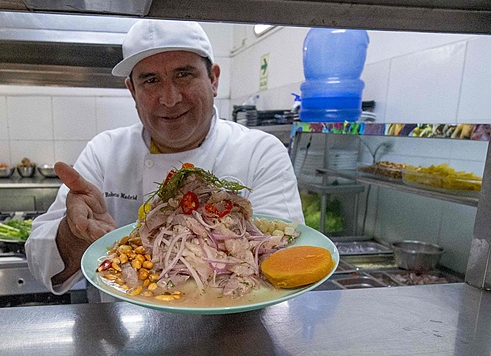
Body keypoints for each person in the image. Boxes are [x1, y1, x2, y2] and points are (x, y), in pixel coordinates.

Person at [26, 19, 303, 294]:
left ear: (214, 79)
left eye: (184, 74)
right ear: (132, 91)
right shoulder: (104, 152)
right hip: (121, 330)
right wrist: (75, 234)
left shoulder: (260, 151)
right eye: (150, 80)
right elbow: (41, 264)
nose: (169, 98)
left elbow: (287, 263)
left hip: (233, 330)